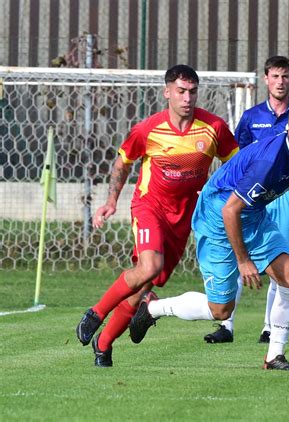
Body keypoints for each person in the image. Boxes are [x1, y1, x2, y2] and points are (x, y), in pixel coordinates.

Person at [129, 103, 289, 370]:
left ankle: (274, 356)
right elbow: (230, 210)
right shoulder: (269, 161)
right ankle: (153, 308)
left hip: (251, 214)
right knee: (220, 310)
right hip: (218, 214)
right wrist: (243, 261)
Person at [75, 64, 239, 367]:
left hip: (185, 215)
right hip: (150, 206)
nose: (187, 98)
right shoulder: (148, 129)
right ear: (167, 93)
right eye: (180, 91)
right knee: (149, 267)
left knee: (144, 286)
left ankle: (104, 343)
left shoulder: (213, 128)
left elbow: (236, 165)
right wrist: (111, 201)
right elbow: (123, 163)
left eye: (192, 91)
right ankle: (95, 313)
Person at [204, 55, 289, 344]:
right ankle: (226, 326)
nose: (280, 82)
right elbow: (237, 158)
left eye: (285, 76)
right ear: (265, 80)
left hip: (285, 195)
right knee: (237, 253)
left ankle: (270, 327)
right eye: (275, 76)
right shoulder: (251, 116)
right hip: (249, 195)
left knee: (281, 261)